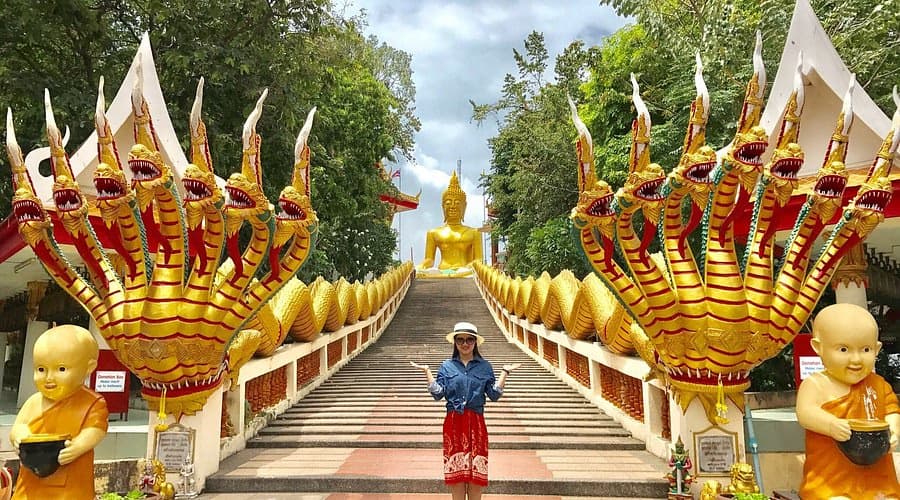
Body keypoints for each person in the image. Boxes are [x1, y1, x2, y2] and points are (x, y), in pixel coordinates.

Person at [796, 303, 900, 499]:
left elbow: (891, 410)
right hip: (831, 477)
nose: (856, 359)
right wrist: (831, 425)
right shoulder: (816, 384)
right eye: (843, 349)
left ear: (877, 349)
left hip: (877, 475)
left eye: (866, 349)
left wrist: (893, 431)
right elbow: (805, 412)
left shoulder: (878, 384)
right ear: (818, 347)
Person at [411, 322, 520, 500]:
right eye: (460, 340)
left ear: (475, 342)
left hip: (476, 423)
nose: (465, 344)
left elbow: (494, 395)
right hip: (454, 423)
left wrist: (504, 373)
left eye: (469, 339)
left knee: (477, 475)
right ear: (454, 342)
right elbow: (438, 394)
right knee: (457, 475)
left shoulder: (485, 366)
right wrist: (427, 372)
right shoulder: (446, 366)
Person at [9, 324, 109, 499]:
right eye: (41, 369)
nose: (49, 378)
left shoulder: (92, 402)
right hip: (32, 477)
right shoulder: (34, 401)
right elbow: (19, 425)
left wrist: (78, 447)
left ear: (89, 367)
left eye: (61, 369)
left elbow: (96, 429)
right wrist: (19, 437)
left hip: (70, 480)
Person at [417, 172, 483, 277]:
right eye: (448, 203)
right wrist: (421, 266)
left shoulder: (474, 233)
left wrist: (469, 267)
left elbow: (479, 260)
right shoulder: (433, 233)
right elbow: (429, 259)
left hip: (464, 272)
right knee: (423, 273)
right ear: (443, 206)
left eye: (457, 203)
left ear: (464, 206)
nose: (452, 206)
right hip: (442, 272)